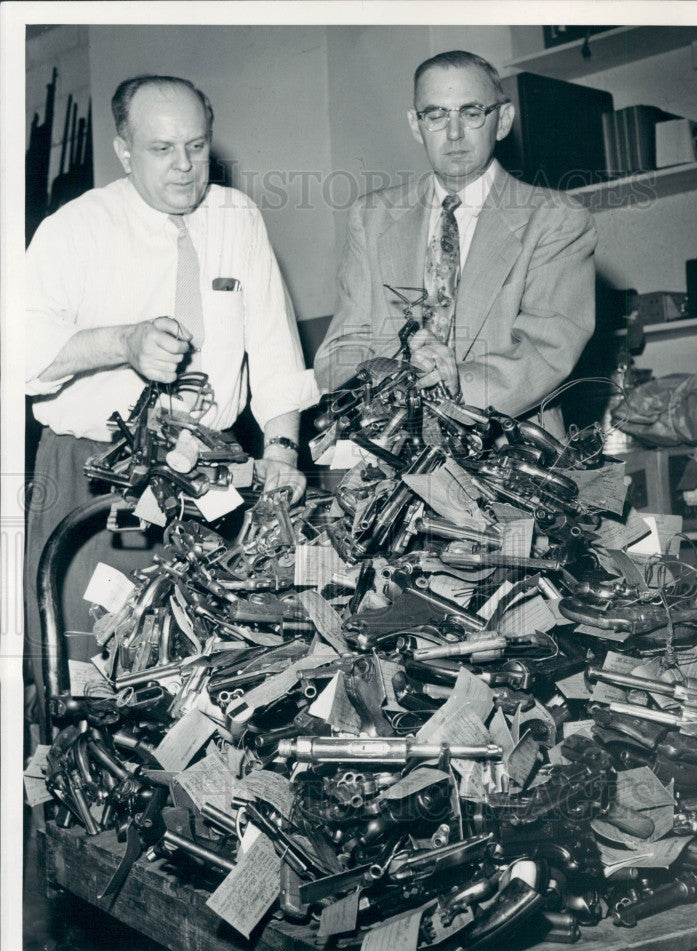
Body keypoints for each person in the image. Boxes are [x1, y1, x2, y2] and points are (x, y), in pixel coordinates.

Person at [24, 75, 317, 711]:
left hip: (211, 474)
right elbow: (21, 357)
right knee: (94, 676)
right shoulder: (71, 231)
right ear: (124, 149)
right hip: (99, 479)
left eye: (197, 146)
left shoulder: (236, 217)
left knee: (207, 672)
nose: (185, 167)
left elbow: (274, 346)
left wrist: (284, 453)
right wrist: (122, 343)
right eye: (162, 150)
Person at [314, 50, 597, 437]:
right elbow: (336, 357)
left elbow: (545, 353)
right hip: (395, 455)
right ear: (416, 126)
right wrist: (398, 374)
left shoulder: (556, 218)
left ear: (503, 121)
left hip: (511, 460)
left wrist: (449, 385)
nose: (453, 133)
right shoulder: (371, 217)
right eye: (436, 115)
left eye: (471, 112)